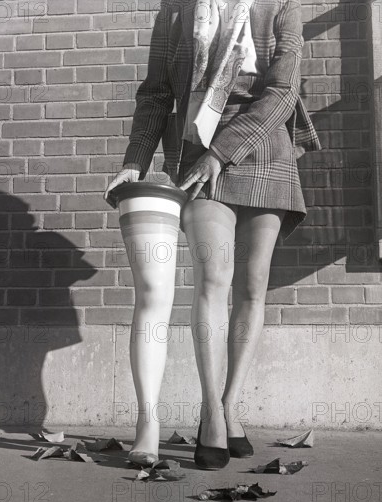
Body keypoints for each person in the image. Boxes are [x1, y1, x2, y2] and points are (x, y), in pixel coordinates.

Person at [104, 0, 321, 469]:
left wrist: (221, 153)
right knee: (213, 276)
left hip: (264, 149)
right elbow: (157, 95)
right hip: (195, 153)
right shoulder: (175, 12)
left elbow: (283, 91)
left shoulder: (281, 6)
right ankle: (212, 414)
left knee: (252, 286)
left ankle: (230, 402)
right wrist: (134, 162)